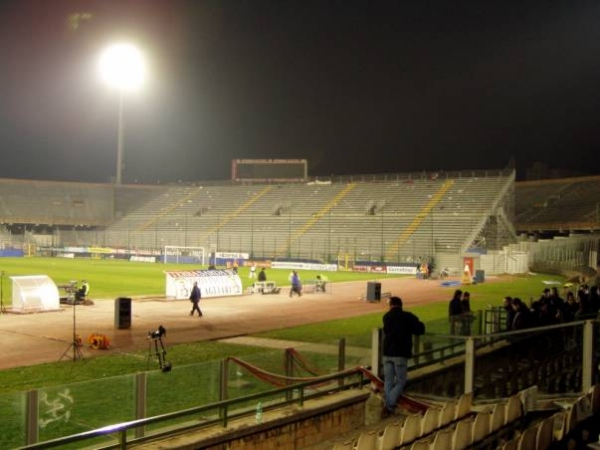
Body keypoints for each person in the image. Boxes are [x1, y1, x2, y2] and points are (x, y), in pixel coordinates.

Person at [381, 296, 425, 417]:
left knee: (388, 381)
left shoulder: (386, 317)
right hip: (400, 354)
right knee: (401, 381)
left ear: (391, 305)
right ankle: (389, 406)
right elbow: (420, 329)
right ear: (401, 305)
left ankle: (387, 404)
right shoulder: (408, 316)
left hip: (387, 353)